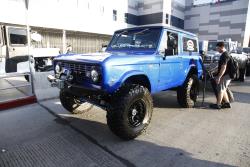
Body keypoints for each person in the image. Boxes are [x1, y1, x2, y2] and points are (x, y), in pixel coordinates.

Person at [210, 42, 232, 109]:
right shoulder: (226, 54)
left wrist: (219, 77)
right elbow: (222, 67)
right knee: (223, 89)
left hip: (226, 75)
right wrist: (215, 71)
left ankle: (218, 104)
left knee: (221, 89)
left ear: (222, 47)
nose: (217, 50)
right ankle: (227, 103)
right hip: (228, 74)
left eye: (218, 48)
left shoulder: (224, 55)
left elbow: (224, 67)